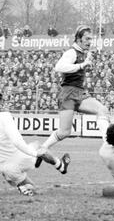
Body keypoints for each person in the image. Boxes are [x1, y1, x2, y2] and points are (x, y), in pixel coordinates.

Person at [0, 90, 71, 196]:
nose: (3, 104)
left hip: (5, 169)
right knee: (39, 147)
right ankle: (61, 166)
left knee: (31, 187)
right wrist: (35, 154)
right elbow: (17, 142)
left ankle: (23, 187)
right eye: (1, 102)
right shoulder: (4, 116)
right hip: (21, 158)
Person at [39, 25, 109, 154]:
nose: (90, 42)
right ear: (78, 38)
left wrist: (85, 62)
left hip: (79, 92)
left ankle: (108, 145)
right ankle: (42, 149)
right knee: (64, 132)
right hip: (68, 93)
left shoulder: (83, 53)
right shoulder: (71, 52)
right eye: (87, 39)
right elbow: (59, 67)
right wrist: (82, 65)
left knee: (102, 110)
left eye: (91, 39)